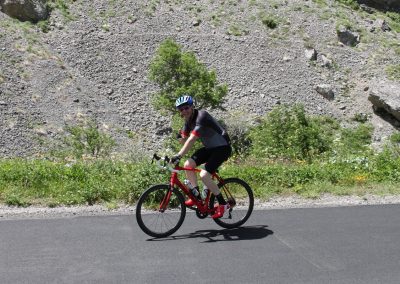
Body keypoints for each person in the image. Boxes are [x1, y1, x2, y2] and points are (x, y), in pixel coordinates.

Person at [170, 95, 232, 219]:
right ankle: (197, 197)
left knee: (204, 175)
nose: (184, 111)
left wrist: (178, 155)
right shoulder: (188, 121)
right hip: (210, 148)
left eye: (186, 108)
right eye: (181, 110)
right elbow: (184, 139)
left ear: (192, 106)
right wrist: (179, 139)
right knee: (188, 164)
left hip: (222, 148)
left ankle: (223, 204)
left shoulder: (201, 116)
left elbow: (192, 139)